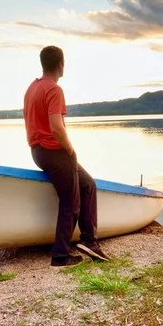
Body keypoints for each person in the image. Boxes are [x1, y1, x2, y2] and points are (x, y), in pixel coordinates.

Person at [23, 45, 109, 267]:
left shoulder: (32, 88)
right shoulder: (53, 89)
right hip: (55, 152)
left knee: (88, 185)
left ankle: (90, 242)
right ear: (61, 65)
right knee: (70, 203)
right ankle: (60, 255)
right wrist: (70, 149)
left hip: (38, 151)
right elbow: (56, 127)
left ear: (43, 64)